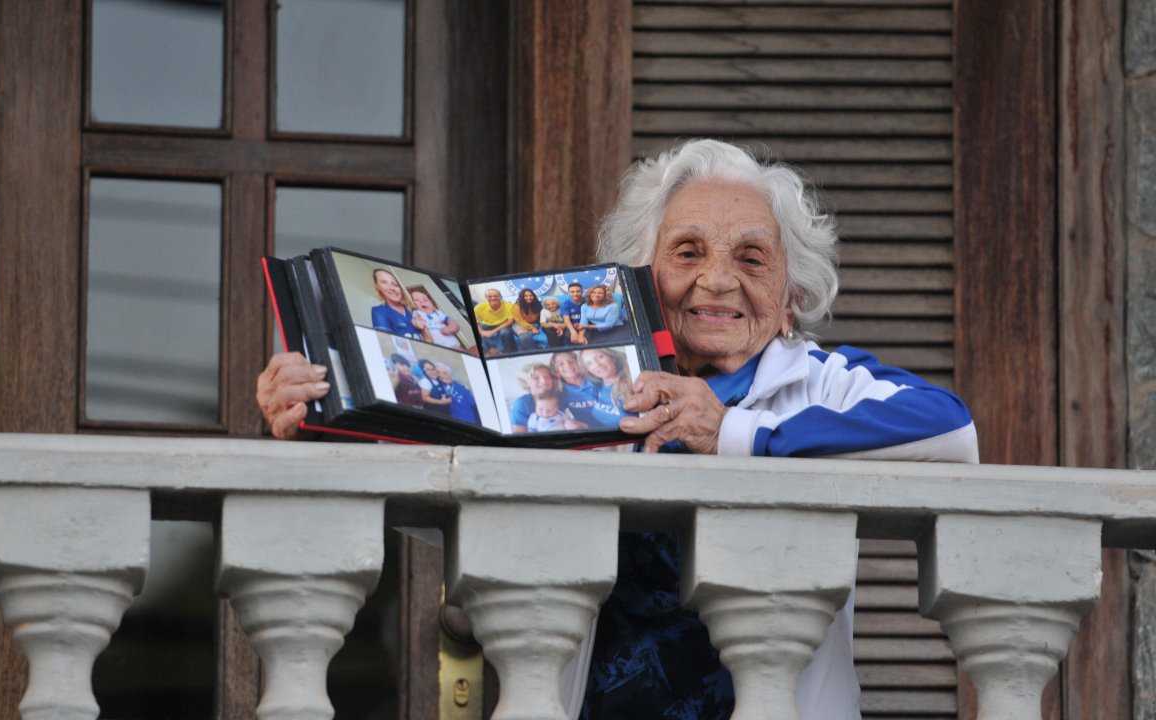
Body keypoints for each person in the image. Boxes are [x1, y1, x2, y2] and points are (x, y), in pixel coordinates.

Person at [255, 138, 978, 720]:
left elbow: (951, 434)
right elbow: (431, 461)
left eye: (751, 258)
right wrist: (318, 418)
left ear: (790, 302)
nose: (718, 281)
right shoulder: (570, 380)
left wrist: (737, 432)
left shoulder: (821, 382)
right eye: (688, 253)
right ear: (639, 281)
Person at [578, 347, 636, 429]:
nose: (597, 365)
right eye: (589, 363)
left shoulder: (630, 382)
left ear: (612, 357)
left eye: (600, 357)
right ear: (588, 370)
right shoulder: (597, 386)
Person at [370, 268, 429, 341]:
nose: (392, 288)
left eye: (395, 285)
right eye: (384, 282)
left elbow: (428, 339)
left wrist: (423, 329)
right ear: (378, 286)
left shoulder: (414, 310)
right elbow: (386, 343)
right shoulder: (379, 311)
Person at [549, 351, 599, 427]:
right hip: (585, 427)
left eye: (571, 361)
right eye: (561, 364)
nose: (568, 365)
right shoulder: (560, 390)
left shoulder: (594, 379)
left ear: (579, 363)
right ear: (556, 370)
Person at [473, 288, 516, 356]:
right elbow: (473, 322)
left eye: (496, 296)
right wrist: (482, 332)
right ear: (486, 297)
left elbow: (510, 321)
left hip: (503, 324)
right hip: (487, 324)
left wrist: (492, 331)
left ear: (500, 296)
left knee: (505, 332)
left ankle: (511, 352)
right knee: (479, 332)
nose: (493, 298)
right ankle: (486, 353)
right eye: (490, 296)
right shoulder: (478, 308)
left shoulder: (509, 305)